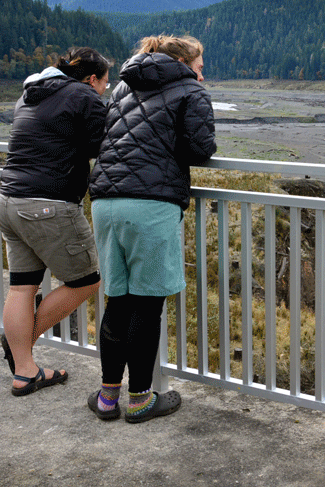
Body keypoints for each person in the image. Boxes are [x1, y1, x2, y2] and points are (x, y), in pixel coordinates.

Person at [87, 34, 216, 423]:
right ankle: (141, 399)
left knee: (118, 300)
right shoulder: (189, 90)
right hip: (151, 204)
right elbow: (200, 148)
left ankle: (108, 398)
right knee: (146, 304)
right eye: (201, 65)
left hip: (106, 201)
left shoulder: (125, 84)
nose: (202, 73)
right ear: (184, 62)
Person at [0, 47, 111, 396]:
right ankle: (22, 344)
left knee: (22, 287)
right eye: (106, 83)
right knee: (87, 281)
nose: (105, 89)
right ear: (92, 79)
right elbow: (101, 145)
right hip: (48, 206)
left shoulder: (29, 94)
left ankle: (25, 370)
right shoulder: (84, 96)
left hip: (7, 201)